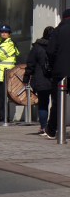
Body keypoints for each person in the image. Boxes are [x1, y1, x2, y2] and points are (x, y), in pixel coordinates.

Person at [24, 25, 55, 137]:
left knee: (43, 104)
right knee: (56, 104)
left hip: (41, 79)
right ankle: (53, 126)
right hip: (54, 79)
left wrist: (26, 78)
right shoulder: (56, 46)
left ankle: (43, 127)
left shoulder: (37, 47)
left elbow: (30, 64)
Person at [46, 9, 70, 137]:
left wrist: (52, 65)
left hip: (60, 71)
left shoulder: (57, 31)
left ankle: (51, 129)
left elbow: (50, 51)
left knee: (57, 101)